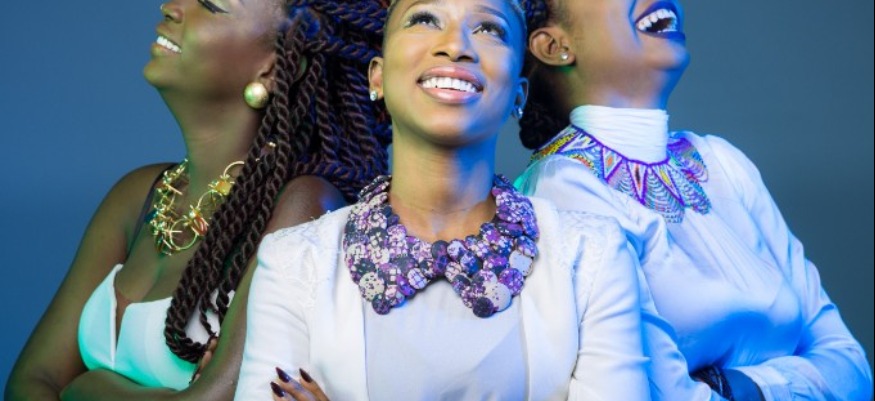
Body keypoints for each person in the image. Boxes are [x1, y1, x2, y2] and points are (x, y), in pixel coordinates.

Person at [234, 0, 651, 399]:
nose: (454, 45)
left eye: (488, 28)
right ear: (377, 77)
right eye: (424, 19)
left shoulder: (592, 255)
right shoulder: (293, 262)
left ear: (519, 94)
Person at [4, 1, 390, 400]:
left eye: (212, 4)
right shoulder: (137, 195)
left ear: (272, 69)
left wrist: (85, 388)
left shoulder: (303, 205)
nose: (171, 6)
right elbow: (26, 384)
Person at [514, 0, 873, 400]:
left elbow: (853, 370)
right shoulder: (561, 190)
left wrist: (737, 386)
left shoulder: (722, 162)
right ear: (554, 46)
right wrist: (796, 378)